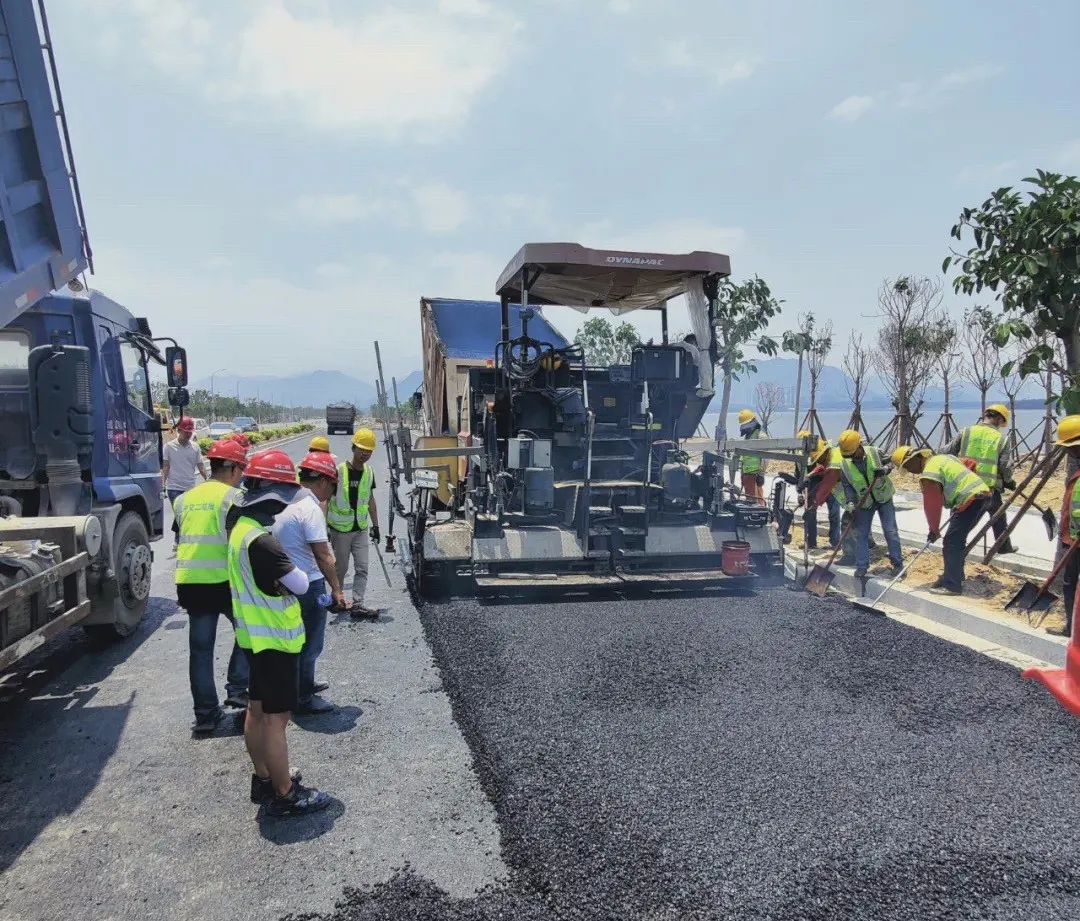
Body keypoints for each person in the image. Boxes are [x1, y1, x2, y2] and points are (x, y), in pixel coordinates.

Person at [226, 449, 330, 816]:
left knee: (255, 710)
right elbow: (301, 584)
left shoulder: (239, 529)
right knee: (276, 719)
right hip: (275, 640)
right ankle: (285, 793)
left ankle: (264, 776)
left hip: (254, 639)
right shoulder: (263, 543)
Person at [173, 435, 250, 733]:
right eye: (241, 470)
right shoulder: (234, 498)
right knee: (248, 635)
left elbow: (182, 537)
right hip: (225, 581)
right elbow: (240, 541)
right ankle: (238, 688)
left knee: (201, 651)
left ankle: (205, 715)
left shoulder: (183, 499)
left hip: (191, 582)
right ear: (232, 469)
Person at [272, 451, 347, 714]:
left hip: (286, 582)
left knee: (295, 640)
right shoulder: (310, 508)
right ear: (324, 481)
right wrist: (337, 589)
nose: (332, 491)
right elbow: (323, 555)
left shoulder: (285, 502)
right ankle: (303, 699)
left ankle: (303, 685)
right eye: (333, 485)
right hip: (309, 584)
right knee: (310, 643)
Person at [892, 445, 991, 596]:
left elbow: (932, 504)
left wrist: (934, 529)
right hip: (981, 495)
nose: (910, 471)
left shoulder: (929, 473)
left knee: (951, 542)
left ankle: (952, 585)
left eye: (908, 466)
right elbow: (969, 464)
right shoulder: (943, 458)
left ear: (917, 458)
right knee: (957, 539)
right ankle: (955, 575)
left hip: (971, 500)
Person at [816, 430, 903, 580]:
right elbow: (847, 485)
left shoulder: (875, 452)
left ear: (860, 446)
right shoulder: (844, 463)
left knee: (890, 531)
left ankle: (897, 563)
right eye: (847, 455)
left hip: (883, 497)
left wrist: (885, 470)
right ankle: (862, 565)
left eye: (852, 454)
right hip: (865, 502)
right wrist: (850, 502)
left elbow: (892, 462)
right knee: (861, 534)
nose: (850, 457)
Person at [943, 404, 1017, 554]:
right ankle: (957, 553)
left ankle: (1003, 545)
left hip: (964, 486)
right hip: (986, 489)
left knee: (998, 514)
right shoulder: (1002, 439)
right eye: (1001, 422)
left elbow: (947, 451)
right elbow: (1004, 465)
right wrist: (1009, 481)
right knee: (966, 526)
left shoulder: (967, 431)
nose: (1000, 426)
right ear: (998, 418)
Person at [327, 428, 381, 619]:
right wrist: (324, 526)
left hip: (360, 529)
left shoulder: (369, 472)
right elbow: (326, 498)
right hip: (340, 530)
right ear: (353, 447)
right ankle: (338, 598)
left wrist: (376, 526)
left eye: (369, 450)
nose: (365, 453)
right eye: (361, 449)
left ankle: (358, 604)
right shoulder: (340, 471)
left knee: (362, 567)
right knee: (341, 568)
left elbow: (370, 500)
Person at [1053, 415, 1080, 638]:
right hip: (1072, 539)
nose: (1067, 452)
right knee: (1069, 583)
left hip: (1076, 541)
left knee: (1071, 584)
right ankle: (1071, 627)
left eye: (1069, 448)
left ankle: (1072, 628)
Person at [164, 416, 209, 548]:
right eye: (186, 432)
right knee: (180, 512)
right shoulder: (169, 447)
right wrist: (163, 483)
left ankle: (180, 539)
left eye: (190, 432)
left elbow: (201, 466)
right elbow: (166, 466)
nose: (189, 434)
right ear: (179, 430)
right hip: (174, 487)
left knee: (186, 514)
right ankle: (180, 541)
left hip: (189, 487)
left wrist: (208, 479)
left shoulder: (195, 448)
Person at [801, 437, 842, 550]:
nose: (819, 460)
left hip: (840, 488)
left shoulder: (835, 461)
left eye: (819, 457)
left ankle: (836, 543)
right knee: (834, 514)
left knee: (835, 515)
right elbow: (822, 467)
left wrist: (813, 506)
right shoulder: (830, 454)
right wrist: (809, 475)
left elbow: (825, 487)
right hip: (833, 484)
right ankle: (826, 542)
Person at [736, 409, 767, 505]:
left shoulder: (760, 435)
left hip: (755, 475)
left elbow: (765, 457)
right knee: (749, 501)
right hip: (747, 474)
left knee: (757, 502)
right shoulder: (748, 436)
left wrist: (761, 474)